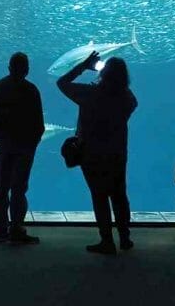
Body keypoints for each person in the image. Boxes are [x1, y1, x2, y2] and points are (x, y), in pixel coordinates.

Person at [57, 52, 137, 255]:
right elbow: (133, 103)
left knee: (99, 196)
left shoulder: (90, 94)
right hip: (117, 153)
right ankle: (125, 237)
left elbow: (62, 83)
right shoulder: (126, 98)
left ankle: (107, 241)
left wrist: (84, 66)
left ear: (104, 74)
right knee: (119, 195)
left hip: (92, 154)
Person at [0, 52, 44, 244]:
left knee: (1, 188)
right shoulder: (32, 90)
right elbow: (39, 125)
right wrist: (32, 144)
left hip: (5, 145)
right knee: (19, 189)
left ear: (9, 68)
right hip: (25, 147)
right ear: (27, 70)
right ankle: (17, 229)